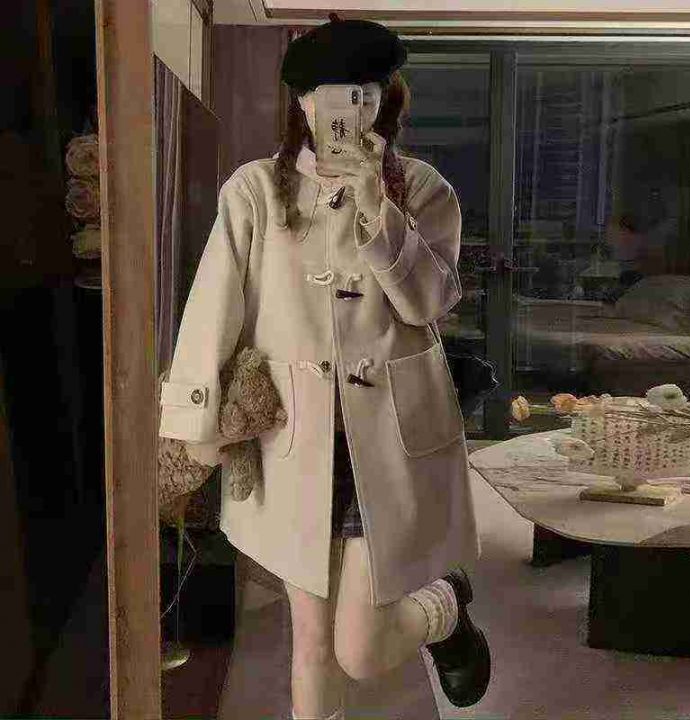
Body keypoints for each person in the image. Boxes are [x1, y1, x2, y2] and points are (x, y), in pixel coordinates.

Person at [159, 16, 490, 719]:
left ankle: (444, 609)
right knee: (309, 644)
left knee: (361, 651)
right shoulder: (254, 190)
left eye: (364, 93)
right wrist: (195, 421)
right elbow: (212, 305)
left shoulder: (423, 189)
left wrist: (377, 207)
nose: (349, 110)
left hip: (390, 443)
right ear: (304, 103)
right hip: (294, 443)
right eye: (332, 95)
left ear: (384, 101)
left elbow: (430, 302)